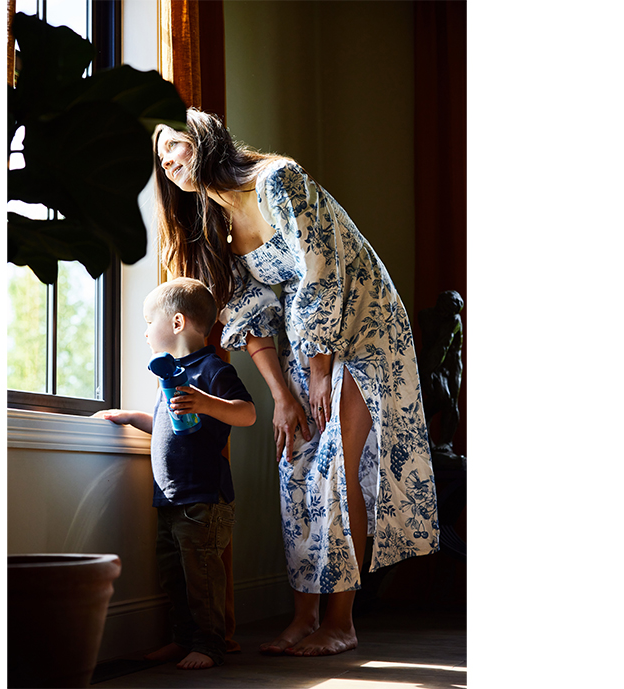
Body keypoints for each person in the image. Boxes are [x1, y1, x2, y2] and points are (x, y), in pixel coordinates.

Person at [151, 109, 441, 657]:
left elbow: (321, 272)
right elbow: (250, 313)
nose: (167, 161)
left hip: (362, 329)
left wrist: (321, 372)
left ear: (203, 139)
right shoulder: (216, 224)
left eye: (175, 146)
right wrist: (282, 396)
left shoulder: (277, 180)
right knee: (296, 470)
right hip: (306, 344)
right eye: (160, 156)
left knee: (335, 468)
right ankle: (304, 617)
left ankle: (341, 622)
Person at [93, 277, 257, 670]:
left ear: (178, 322)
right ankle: (183, 640)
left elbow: (247, 413)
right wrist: (133, 417)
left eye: (149, 322)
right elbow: (171, 426)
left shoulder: (212, 369)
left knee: (201, 576)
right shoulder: (170, 374)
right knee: (174, 576)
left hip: (204, 497)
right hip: (171, 496)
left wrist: (205, 402)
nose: (146, 332)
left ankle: (210, 644)